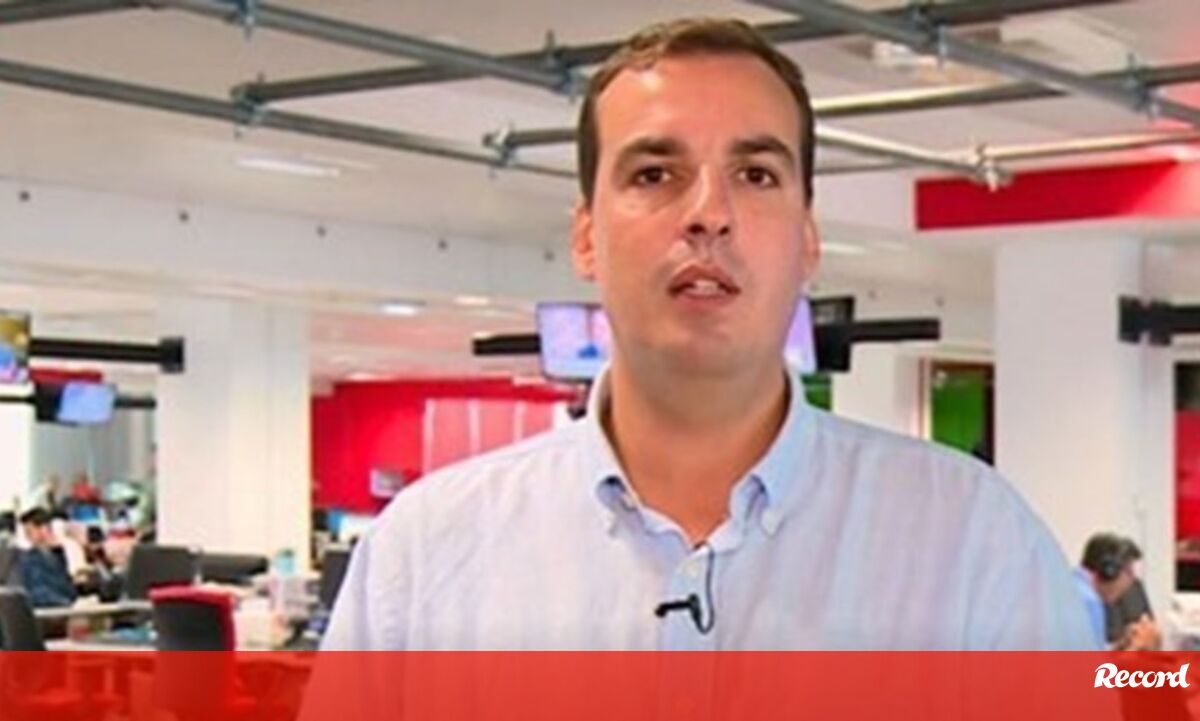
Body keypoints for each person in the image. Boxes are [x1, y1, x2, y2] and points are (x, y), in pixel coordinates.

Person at [323, 17, 1094, 650]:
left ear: (807, 238)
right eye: (655, 174)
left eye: (756, 175)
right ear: (587, 235)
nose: (708, 213)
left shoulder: (973, 543)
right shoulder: (424, 554)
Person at [1076, 534, 1159, 651]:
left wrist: (1120, 645)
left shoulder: (1071, 586)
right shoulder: (1089, 602)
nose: (1131, 581)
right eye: (1128, 572)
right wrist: (1137, 647)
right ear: (1109, 571)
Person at [15, 507, 77, 608]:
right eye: (27, 532)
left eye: (29, 532)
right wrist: (69, 604)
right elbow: (39, 592)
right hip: (49, 610)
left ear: (43, 529)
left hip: (62, 607)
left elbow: (67, 587)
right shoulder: (28, 559)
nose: (27, 536)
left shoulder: (57, 554)